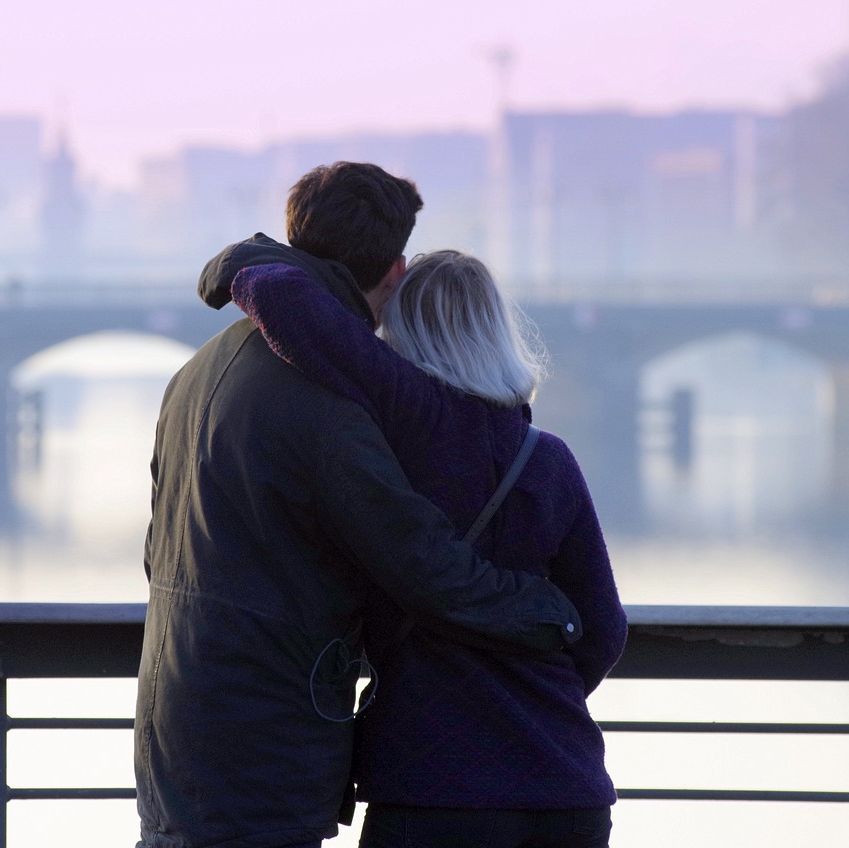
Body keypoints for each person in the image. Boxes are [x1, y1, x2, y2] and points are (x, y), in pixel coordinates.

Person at [135, 163, 583, 848]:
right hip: (266, 746)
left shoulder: (196, 371)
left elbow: (155, 545)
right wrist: (551, 613)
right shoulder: (325, 403)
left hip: (174, 730)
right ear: (395, 268)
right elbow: (421, 563)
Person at [229, 249, 628, 848]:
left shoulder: (403, 428)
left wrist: (245, 259)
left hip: (432, 787)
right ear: (497, 331)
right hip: (565, 786)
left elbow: (284, 299)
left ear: (404, 333)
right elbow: (603, 631)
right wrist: (527, 694)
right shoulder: (549, 460)